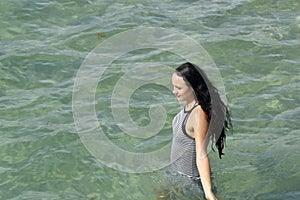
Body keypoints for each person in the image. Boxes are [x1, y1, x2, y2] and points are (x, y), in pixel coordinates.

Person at [169, 62, 232, 200]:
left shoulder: (198, 115)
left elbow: (201, 155)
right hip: (176, 175)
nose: (174, 91)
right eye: (173, 86)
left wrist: (208, 193)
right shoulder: (188, 106)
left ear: (193, 88)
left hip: (190, 184)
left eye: (178, 88)